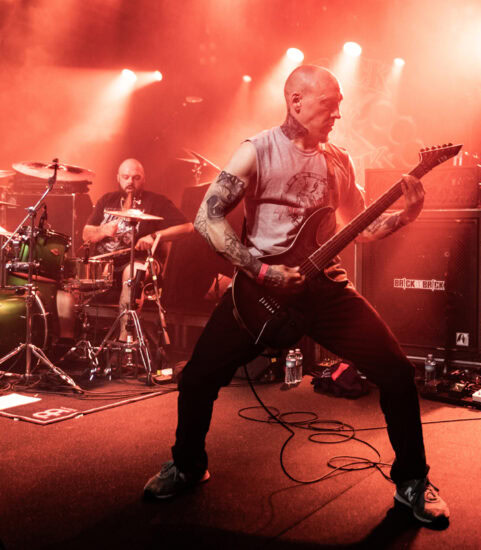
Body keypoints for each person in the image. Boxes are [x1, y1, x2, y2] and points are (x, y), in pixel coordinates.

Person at [143, 65, 450, 526]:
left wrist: (407, 216)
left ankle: (411, 482)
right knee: (198, 378)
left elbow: (360, 229)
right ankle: (187, 465)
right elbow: (208, 219)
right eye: (330, 105)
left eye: (340, 105)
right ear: (296, 102)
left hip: (325, 286)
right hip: (260, 290)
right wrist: (261, 271)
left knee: (397, 372)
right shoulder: (257, 151)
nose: (338, 114)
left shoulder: (339, 160)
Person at [82, 158, 192, 339]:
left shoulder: (156, 202)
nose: (130, 182)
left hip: (144, 262)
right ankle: (72, 341)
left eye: (136, 177)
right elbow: (86, 234)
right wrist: (103, 230)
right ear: (118, 178)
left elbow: (187, 227)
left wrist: (154, 236)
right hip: (105, 265)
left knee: (132, 272)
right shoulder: (106, 200)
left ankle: (125, 340)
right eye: (126, 177)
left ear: (144, 179)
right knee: (69, 280)